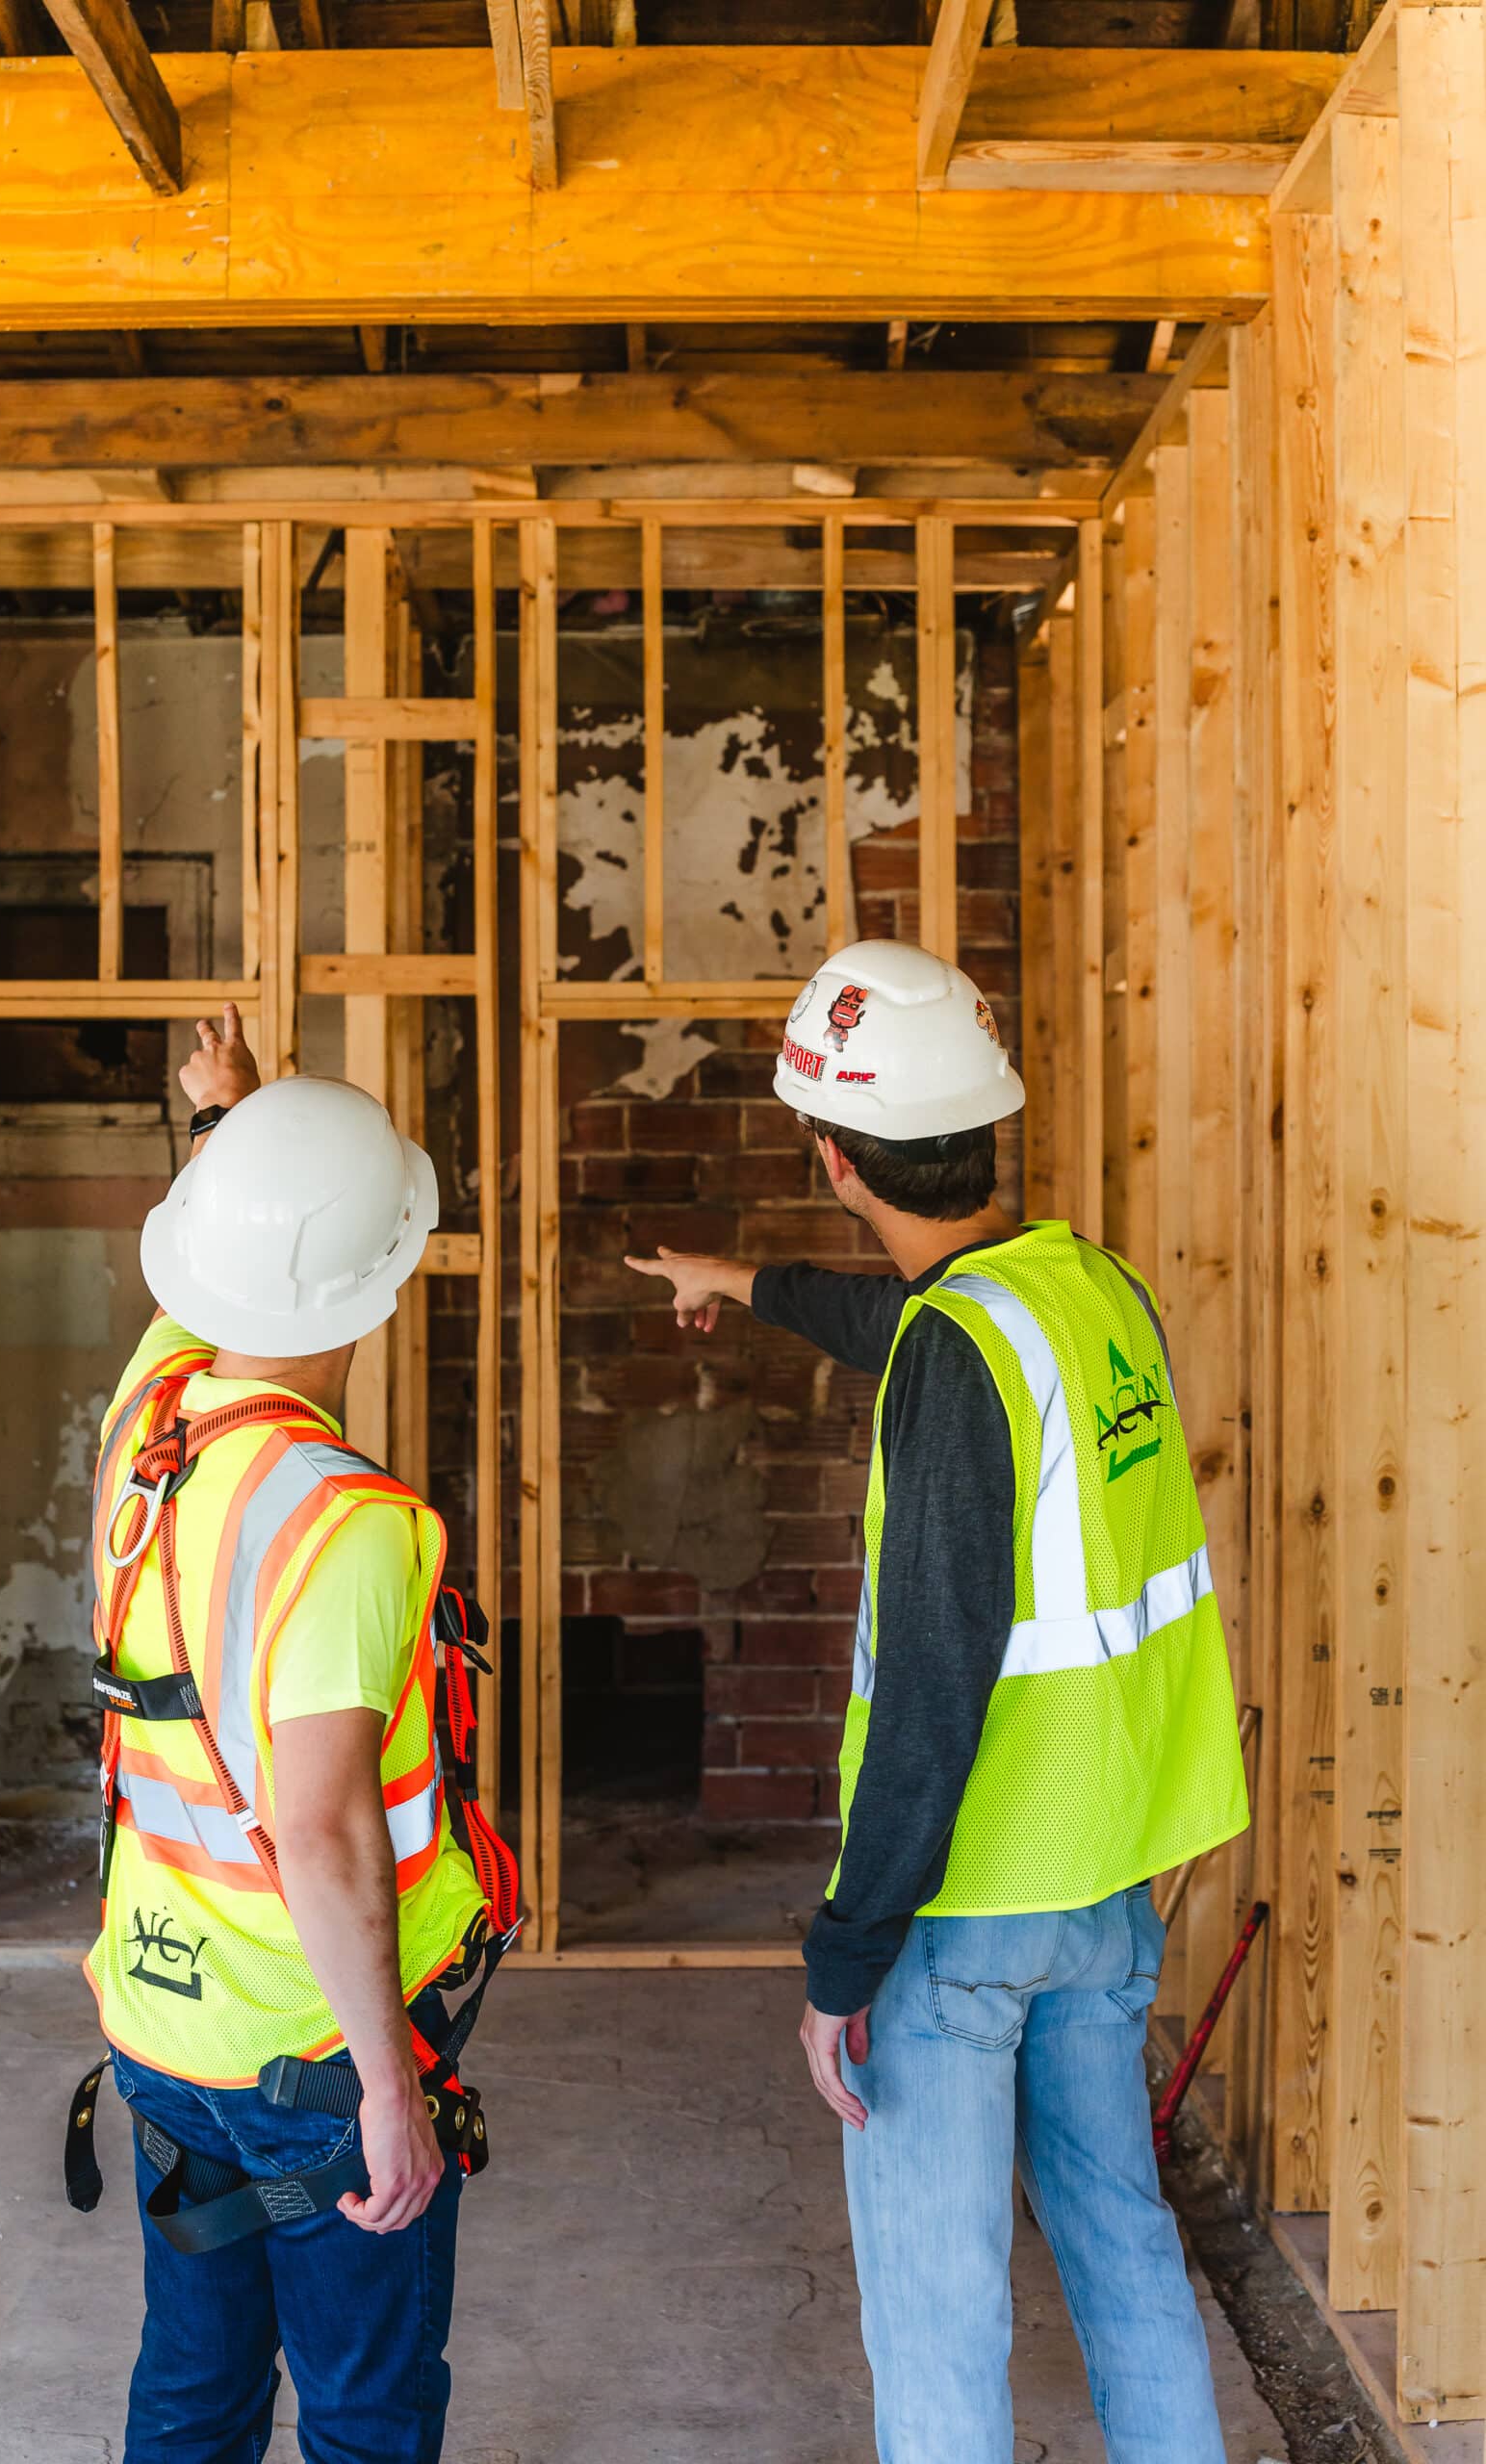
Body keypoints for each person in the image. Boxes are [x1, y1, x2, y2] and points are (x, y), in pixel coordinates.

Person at [626, 939, 1249, 2464]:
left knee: (939, 2306)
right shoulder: (1084, 1287)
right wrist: (748, 1285)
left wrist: (846, 1953)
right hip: (1112, 1877)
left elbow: (928, 1692)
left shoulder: (956, 1356)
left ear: (833, 1159)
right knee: (1122, 2242)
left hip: (971, 1902)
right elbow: (918, 1325)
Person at [76, 1004, 516, 2464]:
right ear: (379, 1289)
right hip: (311, 2051)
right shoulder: (348, 1526)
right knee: (364, 2408)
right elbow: (323, 1831)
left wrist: (229, 1124)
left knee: (193, 2392)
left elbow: (236, 1262)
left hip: (161, 2015)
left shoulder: (155, 1409)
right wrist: (391, 2084)